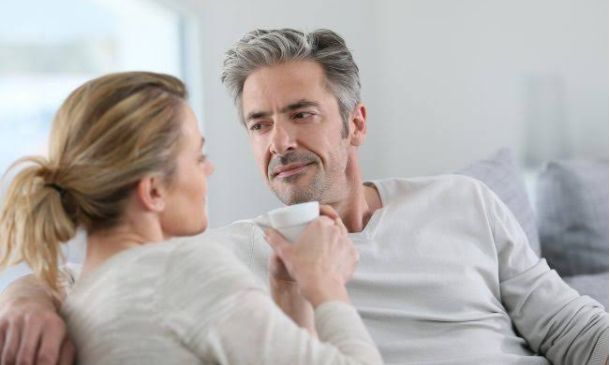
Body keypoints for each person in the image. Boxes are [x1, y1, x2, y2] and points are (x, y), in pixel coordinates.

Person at [2, 28, 609, 365]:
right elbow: (105, 272)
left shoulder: (463, 202)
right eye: (259, 124)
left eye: (301, 114)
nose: (281, 141)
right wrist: (25, 297)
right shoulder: (232, 252)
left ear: (355, 123)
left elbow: (574, 331)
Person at [0, 71, 383, 364]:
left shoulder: (86, 295)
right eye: (198, 157)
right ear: (153, 191)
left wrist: (290, 292)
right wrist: (326, 283)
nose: (209, 169)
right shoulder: (179, 271)